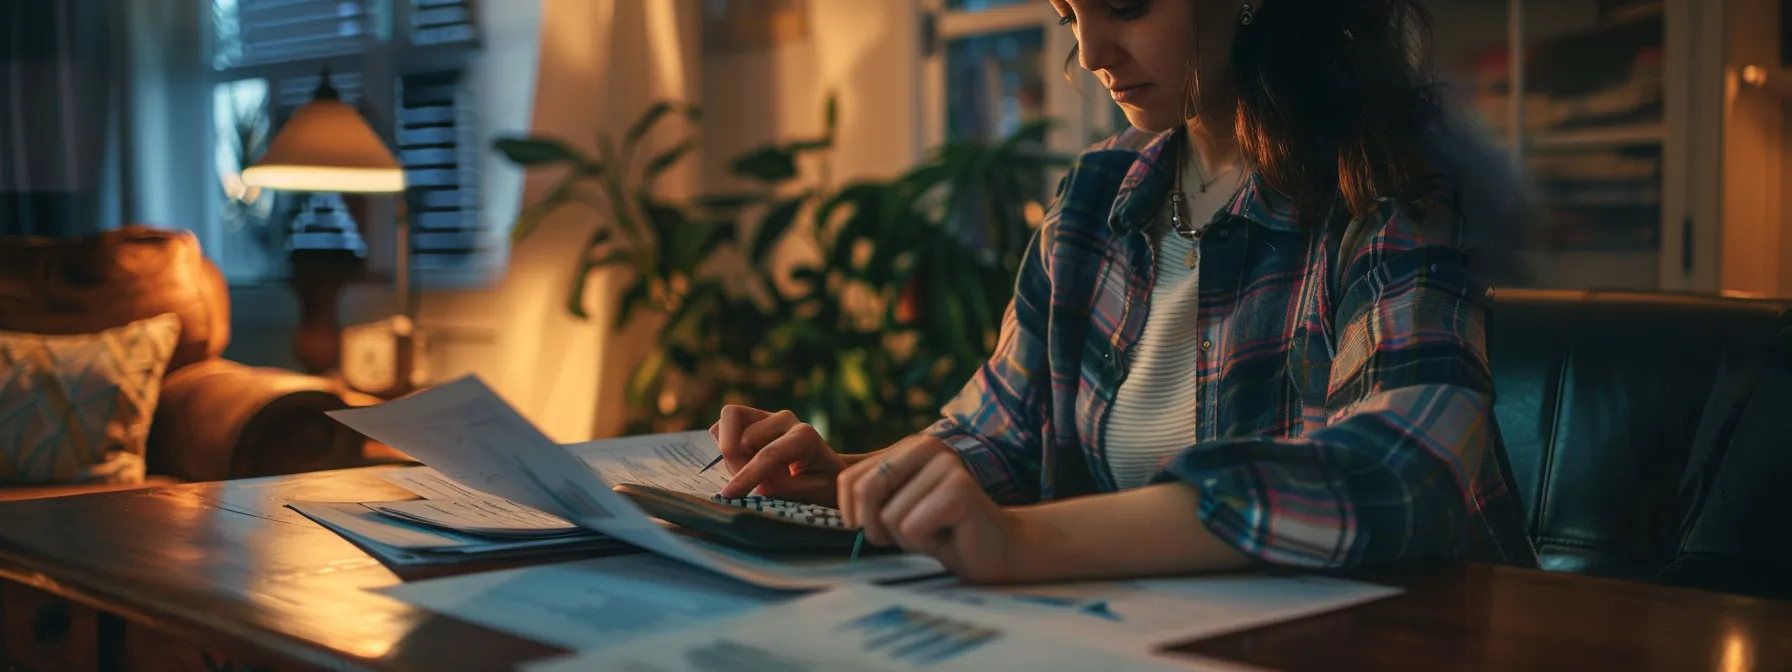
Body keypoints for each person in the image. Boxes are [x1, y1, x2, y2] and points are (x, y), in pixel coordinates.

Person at [712, 0, 1538, 583]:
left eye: (1128, 7)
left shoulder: (1389, 185)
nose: (1094, 53)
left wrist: (1027, 545)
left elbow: (1408, 474)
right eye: (1071, 15)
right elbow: (1000, 433)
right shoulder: (1096, 195)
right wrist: (852, 476)